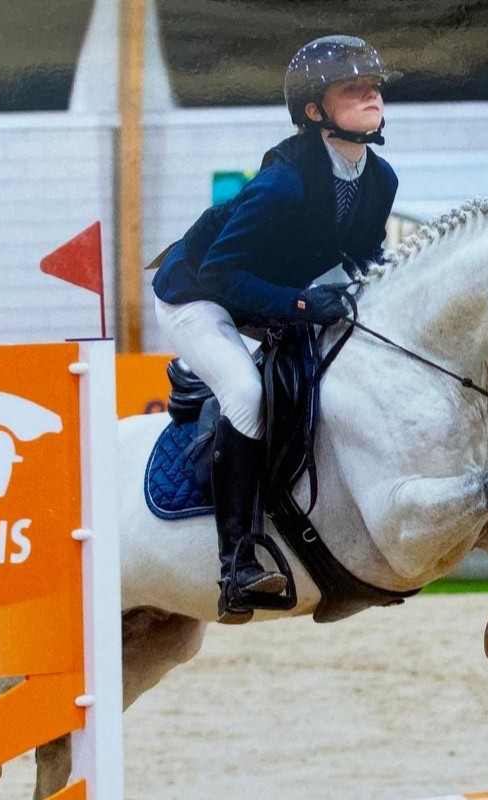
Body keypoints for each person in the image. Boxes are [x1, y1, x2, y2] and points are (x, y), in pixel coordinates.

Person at [150, 35, 400, 623]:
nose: (371, 93)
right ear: (315, 112)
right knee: (245, 393)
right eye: (352, 88)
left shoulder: (380, 179)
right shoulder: (284, 182)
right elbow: (220, 272)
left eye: (375, 86)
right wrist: (306, 305)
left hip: (265, 299)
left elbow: (362, 258)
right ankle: (236, 564)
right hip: (197, 293)